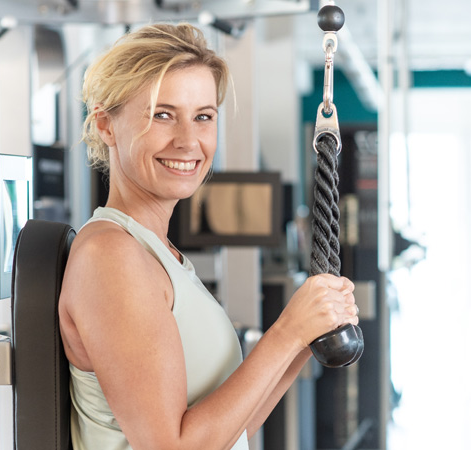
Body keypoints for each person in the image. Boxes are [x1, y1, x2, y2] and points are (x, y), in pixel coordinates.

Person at [58, 24, 358, 450]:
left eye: (203, 117)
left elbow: (229, 430)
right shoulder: (112, 255)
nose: (188, 141)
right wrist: (287, 332)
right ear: (106, 125)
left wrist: (306, 337)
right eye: (162, 115)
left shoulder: (158, 253)